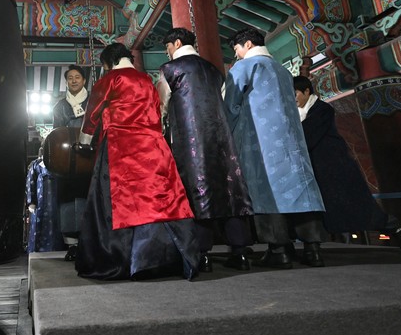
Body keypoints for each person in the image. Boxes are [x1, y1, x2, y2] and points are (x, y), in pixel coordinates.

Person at [75, 42, 199, 280]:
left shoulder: (111, 79)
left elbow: (92, 113)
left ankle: (123, 259)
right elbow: (157, 113)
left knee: (120, 203)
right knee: (161, 202)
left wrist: (85, 140)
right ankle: (167, 259)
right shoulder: (147, 81)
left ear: (108, 62)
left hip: (121, 147)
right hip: (153, 147)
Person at [224, 28, 325, 269]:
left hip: (259, 140)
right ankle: (313, 250)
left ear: (247, 44)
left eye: (236, 48)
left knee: (266, 191)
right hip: (291, 140)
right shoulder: (281, 69)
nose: (236, 54)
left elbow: (231, 105)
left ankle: (278, 250)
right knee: (301, 189)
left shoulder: (244, 67)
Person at [157, 28, 253, 272]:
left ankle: (203, 255)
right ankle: (240, 253)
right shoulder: (213, 70)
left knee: (198, 192)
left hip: (191, 141)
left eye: (167, 46)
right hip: (221, 138)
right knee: (230, 192)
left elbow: (161, 108)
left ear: (176, 43)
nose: (167, 51)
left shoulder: (170, 70)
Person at [292, 76, 401, 256]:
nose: (293, 98)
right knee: (319, 211)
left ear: (306, 91)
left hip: (337, 170)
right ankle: (313, 248)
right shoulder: (299, 114)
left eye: (295, 93)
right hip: (317, 173)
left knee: (360, 207)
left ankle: (395, 228)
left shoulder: (322, 110)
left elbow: (307, 137)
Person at [51, 64, 90, 260]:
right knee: (67, 198)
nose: (73, 81)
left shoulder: (93, 101)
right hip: (67, 160)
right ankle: (72, 245)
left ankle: (90, 240)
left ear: (84, 80)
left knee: (89, 196)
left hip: (89, 157)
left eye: (77, 77)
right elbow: (55, 132)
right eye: (70, 78)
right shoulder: (60, 106)